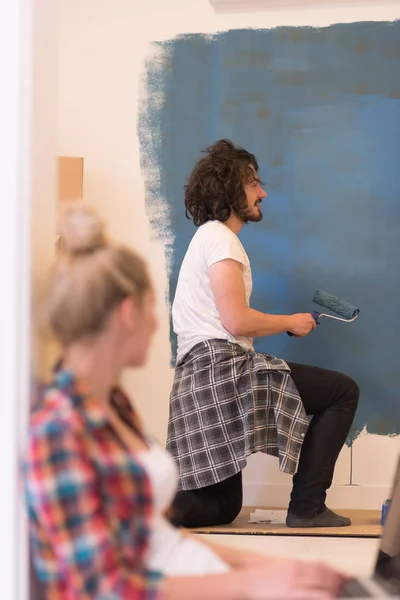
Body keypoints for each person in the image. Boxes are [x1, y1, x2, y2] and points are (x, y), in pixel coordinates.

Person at [24, 203, 350, 599]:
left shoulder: (113, 405)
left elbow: (151, 535)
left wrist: (264, 564)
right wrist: (250, 584)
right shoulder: (61, 431)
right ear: (128, 313)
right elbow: (106, 588)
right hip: (187, 587)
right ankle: (308, 507)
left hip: (200, 575)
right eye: (151, 306)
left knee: (230, 508)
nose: (163, 322)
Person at [167, 139, 359, 529]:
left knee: (221, 508)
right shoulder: (221, 239)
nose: (262, 192)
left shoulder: (208, 238)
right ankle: (307, 507)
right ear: (229, 189)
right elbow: (236, 321)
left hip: (198, 380)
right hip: (220, 371)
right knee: (342, 392)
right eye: (253, 183)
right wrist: (290, 321)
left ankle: (138, 514)